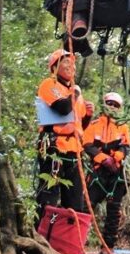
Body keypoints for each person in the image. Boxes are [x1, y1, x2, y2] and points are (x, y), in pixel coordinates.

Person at [34, 49, 93, 223]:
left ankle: (69, 242)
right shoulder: (49, 85)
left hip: (74, 151)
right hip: (54, 148)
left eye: (72, 63)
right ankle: (42, 236)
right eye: (65, 62)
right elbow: (63, 108)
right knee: (48, 196)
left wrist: (88, 116)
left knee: (75, 200)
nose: (70, 66)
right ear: (54, 67)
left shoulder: (74, 94)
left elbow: (79, 126)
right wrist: (75, 93)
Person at [82, 92, 130, 251]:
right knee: (87, 206)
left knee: (114, 209)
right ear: (104, 104)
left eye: (116, 105)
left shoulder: (123, 126)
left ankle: (108, 247)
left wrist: (116, 158)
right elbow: (87, 145)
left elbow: (125, 146)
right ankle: (79, 242)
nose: (112, 107)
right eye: (110, 103)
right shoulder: (94, 124)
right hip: (98, 171)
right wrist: (103, 159)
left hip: (116, 172)